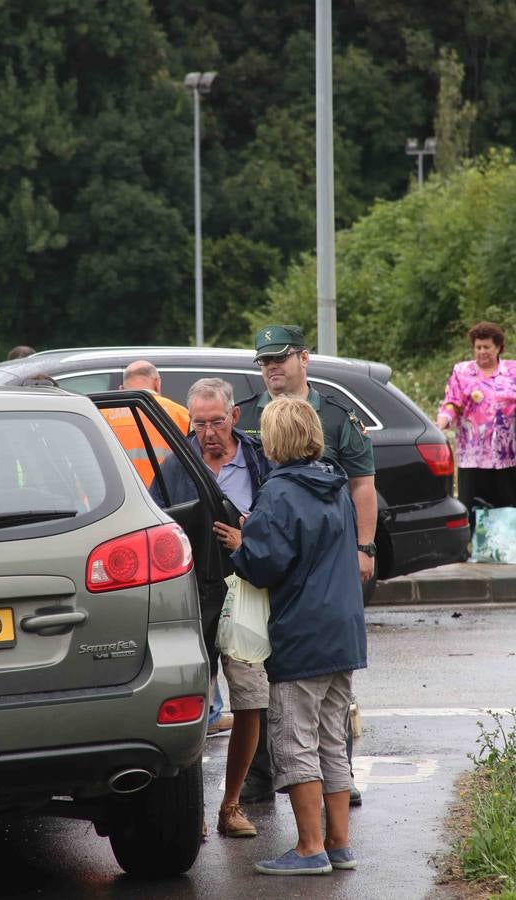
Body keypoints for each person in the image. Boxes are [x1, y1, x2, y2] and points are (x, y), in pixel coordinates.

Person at [221, 396, 366, 875]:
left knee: (294, 741)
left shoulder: (279, 491)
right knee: (331, 737)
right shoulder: (334, 484)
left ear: (276, 440)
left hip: (301, 633)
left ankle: (309, 848)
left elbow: (265, 565)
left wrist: (244, 543)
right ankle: (339, 843)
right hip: (342, 631)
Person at [236, 324, 376, 806]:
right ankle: (261, 778)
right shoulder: (244, 414)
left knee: (302, 698)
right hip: (281, 551)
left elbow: (362, 485)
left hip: (297, 564)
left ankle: (313, 838)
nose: (271, 368)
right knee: (259, 681)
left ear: (304, 359)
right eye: (264, 362)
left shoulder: (335, 415)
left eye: (280, 358)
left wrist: (365, 547)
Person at [150, 377, 270, 839]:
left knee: (250, 700)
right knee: (191, 707)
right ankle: (192, 810)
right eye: (198, 423)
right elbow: (153, 523)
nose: (208, 432)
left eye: (216, 422)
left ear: (234, 417)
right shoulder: (173, 465)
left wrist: (249, 534)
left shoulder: (259, 461)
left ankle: (232, 804)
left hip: (243, 594)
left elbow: (280, 522)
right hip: (188, 597)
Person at [436, 321, 516, 530]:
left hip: (505, 455)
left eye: (486, 347)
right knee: (471, 506)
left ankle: (505, 549)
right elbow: (451, 402)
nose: (482, 352)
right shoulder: (462, 372)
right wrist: (441, 423)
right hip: (472, 454)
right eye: (478, 347)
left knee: (506, 506)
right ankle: (471, 547)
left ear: (498, 347)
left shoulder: (512, 371)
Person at [101, 360, 190, 487]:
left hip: (120, 497)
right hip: (167, 499)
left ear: (121, 389)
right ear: (157, 383)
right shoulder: (181, 414)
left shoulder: (103, 416)